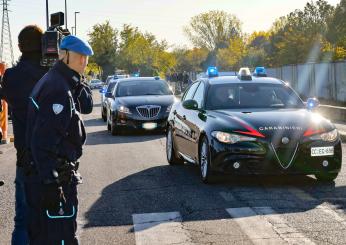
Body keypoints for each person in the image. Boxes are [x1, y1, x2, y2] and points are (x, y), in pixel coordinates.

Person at [25, 35, 93, 244]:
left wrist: (78, 81)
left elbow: (87, 106)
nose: (84, 61)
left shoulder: (59, 80)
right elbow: (43, 142)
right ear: (64, 56)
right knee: (59, 239)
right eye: (80, 56)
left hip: (48, 177)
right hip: (54, 180)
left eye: (86, 57)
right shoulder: (57, 89)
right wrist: (52, 184)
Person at [0, 25, 48, 245]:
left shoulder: (11, 77)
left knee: (23, 218)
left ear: (19, 47)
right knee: (53, 216)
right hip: (53, 156)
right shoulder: (52, 75)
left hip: (25, 157)